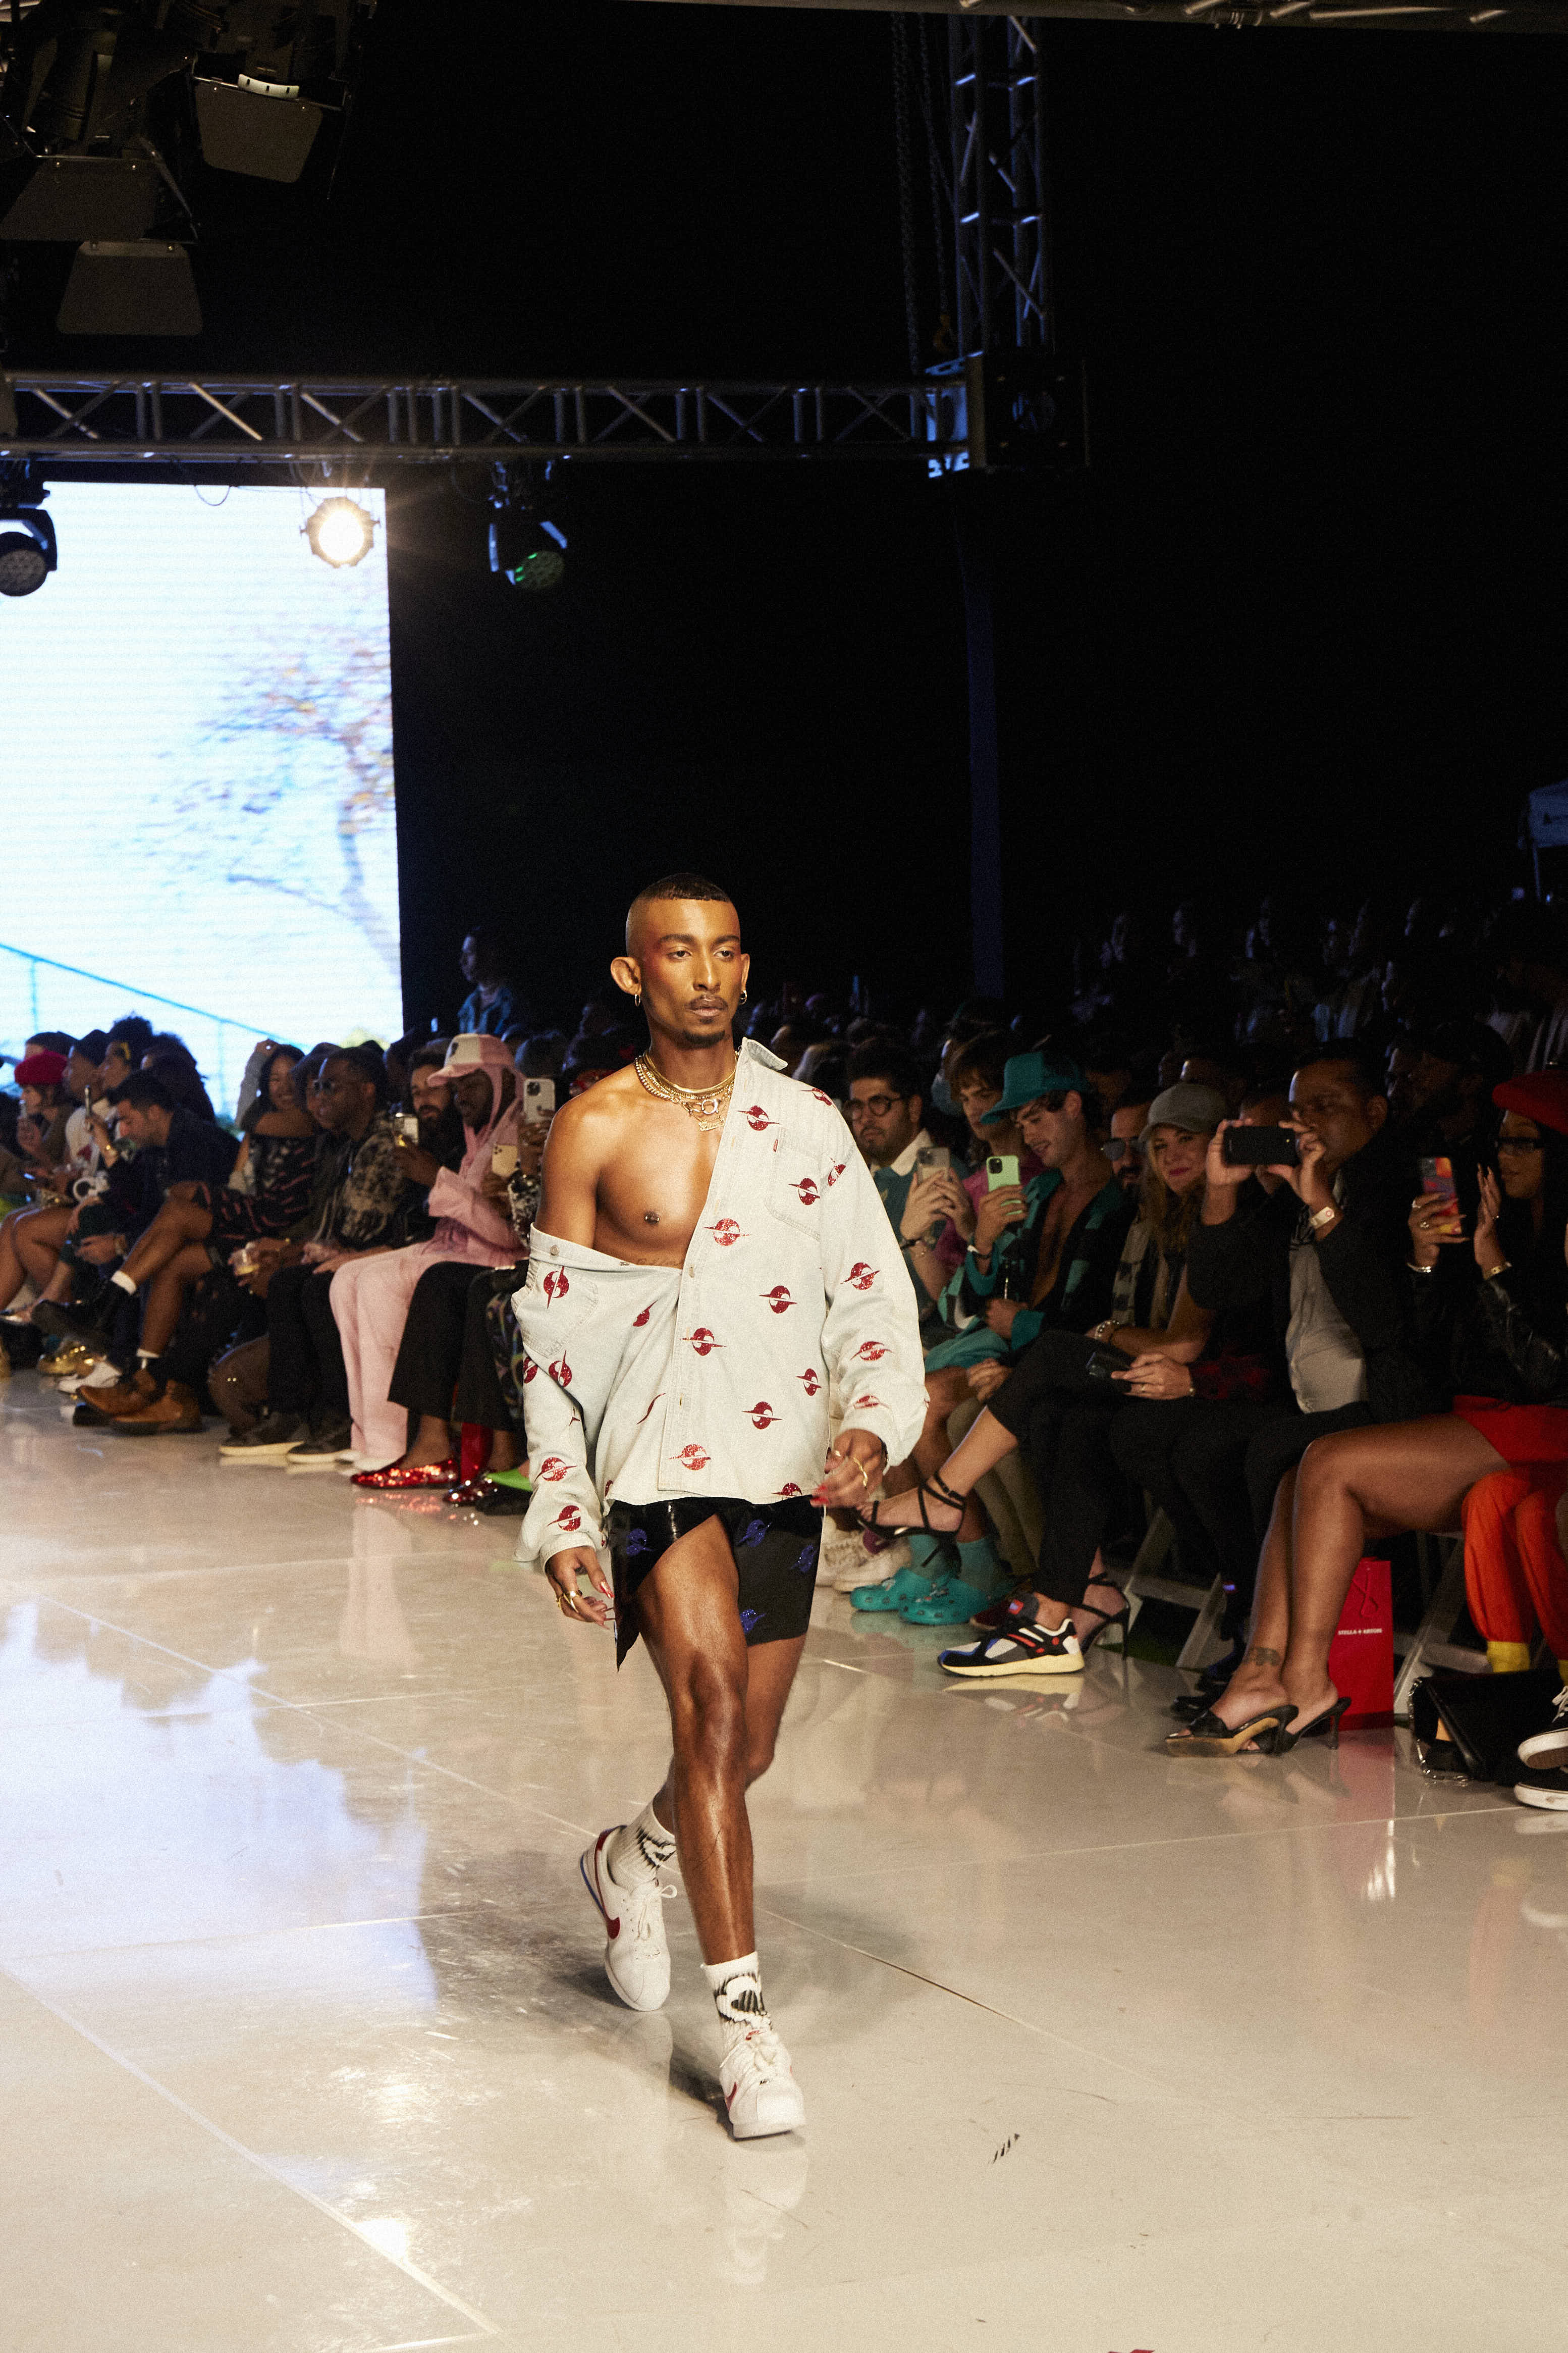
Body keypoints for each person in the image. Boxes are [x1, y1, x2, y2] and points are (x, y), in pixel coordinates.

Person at [518, 873, 924, 2139]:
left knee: (741, 1751)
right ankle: (746, 2028)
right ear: (631, 971)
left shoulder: (804, 1123)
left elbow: (869, 1290)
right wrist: (563, 1511)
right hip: (651, 1456)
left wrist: (870, 1422)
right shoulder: (590, 1128)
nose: (706, 973)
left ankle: (627, 1856)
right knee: (704, 1708)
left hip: (777, 1455)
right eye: (679, 951)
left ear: (746, 966)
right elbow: (552, 1340)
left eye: (727, 950)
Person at [862, 1084, 1228, 1673]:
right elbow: (971, 1306)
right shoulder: (1093, 1204)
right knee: (1057, 1409)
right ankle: (1065, 1597)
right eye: (1154, 1145)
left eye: (1181, 1141)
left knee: (1047, 1363)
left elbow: (1177, 1341)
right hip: (1123, 1368)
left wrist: (1101, 1332)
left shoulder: (1153, 1212)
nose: (1159, 1157)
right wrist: (979, 1239)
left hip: (1199, 1383)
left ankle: (957, 1514)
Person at [334, 1032, 521, 1478]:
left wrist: (435, 1178)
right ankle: (370, 1437)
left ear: (501, 1079)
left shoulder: (518, 1134)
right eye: (455, 1088)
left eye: (471, 1084)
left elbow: (507, 1233)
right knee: (347, 1279)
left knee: (379, 1283)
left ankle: (393, 1442)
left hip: (491, 1259)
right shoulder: (478, 1134)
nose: (461, 1097)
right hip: (451, 1248)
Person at [219, 1048, 412, 1463]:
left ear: (366, 1090)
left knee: (315, 1286)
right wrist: (295, 1251)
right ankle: (288, 1414)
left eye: (330, 1087)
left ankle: (339, 1417)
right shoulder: (344, 1144)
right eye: (317, 1087)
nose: (319, 1097)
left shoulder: (382, 1142)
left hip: (390, 1255)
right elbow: (333, 1231)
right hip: (354, 1255)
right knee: (288, 1282)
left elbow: (358, 1229)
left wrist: (301, 1251)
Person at [457, 930, 527, 1037]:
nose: (462, 961)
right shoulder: (470, 1003)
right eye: (463, 954)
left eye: (469, 953)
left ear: (490, 955)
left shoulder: (512, 999)